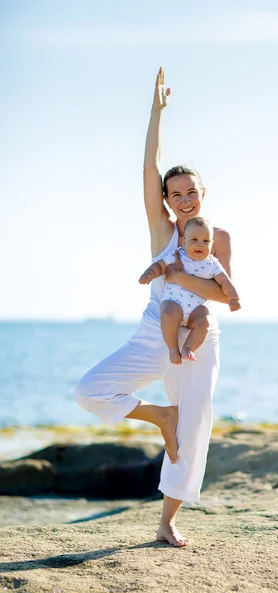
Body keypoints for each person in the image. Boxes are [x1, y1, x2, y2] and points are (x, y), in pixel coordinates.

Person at [75, 67, 237, 547]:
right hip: (155, 334)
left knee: (196, 427)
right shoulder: (162, 232)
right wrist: (156, 111)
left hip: (199, 339)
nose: (184, 200)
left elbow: (223, 295)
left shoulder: (218, 238)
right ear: (167, 201)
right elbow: (149, 168)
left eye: (192, 193)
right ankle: (158, 416)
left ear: (204, 195)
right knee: (90, 392)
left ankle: (167, 521)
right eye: (176, 194)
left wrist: (178, 275)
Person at [139, 216, 240, 364]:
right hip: (174, 304)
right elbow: (160, 266)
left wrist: (233, 298)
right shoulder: (178, 255)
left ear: (212, 244)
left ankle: (188, 348)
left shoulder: (212, 263)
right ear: (183, 242)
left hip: (196, 310)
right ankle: (173, 349)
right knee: (167, 314)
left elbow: (225, 281)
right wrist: (149, 274)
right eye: (194, 240)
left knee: (204, 320)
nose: (200, 245)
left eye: (205, 241)